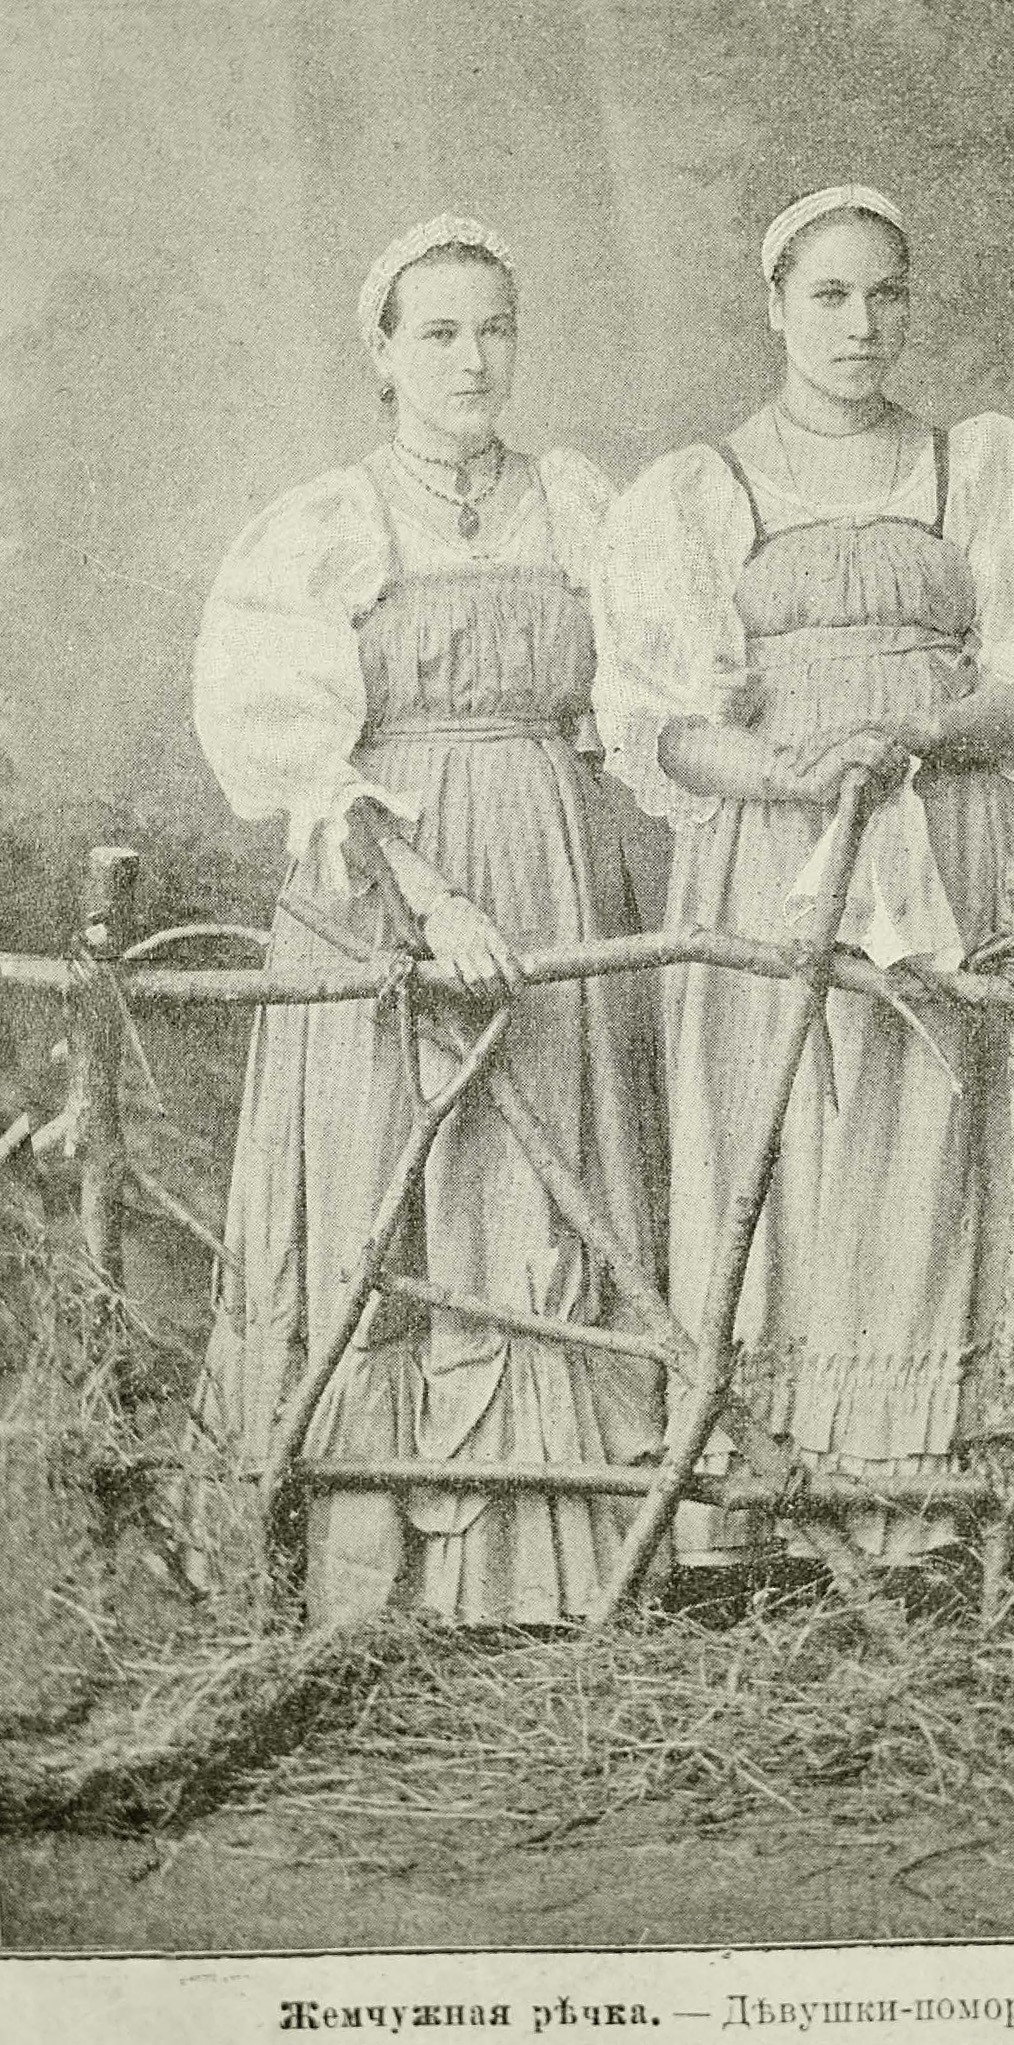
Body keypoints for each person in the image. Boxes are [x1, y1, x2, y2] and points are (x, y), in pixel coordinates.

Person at [594, 184, 1014, 1574]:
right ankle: (766, 1515)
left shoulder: (973, 468)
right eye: (828, 295)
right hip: (771, 861)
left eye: (886, 293)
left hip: (944, 843)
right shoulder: (703, 490)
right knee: (779, 1150)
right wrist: (791, 774)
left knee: (932, 1145)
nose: (860, 324)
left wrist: (919, 733)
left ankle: (930, 1508)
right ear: (774, 307)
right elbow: (656, 720)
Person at [192, 212, 665, 1627]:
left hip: (555, 873)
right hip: (383, 890)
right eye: (440, 333)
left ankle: (542, 1579)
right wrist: (428, 896)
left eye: (495, 329)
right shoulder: (329, 523)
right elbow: (296, 753)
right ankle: (369, 1582)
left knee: (548, 1190)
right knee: (381, 1191)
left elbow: (655, 691)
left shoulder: (581, 506)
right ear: (384, 355)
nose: (472, 360)